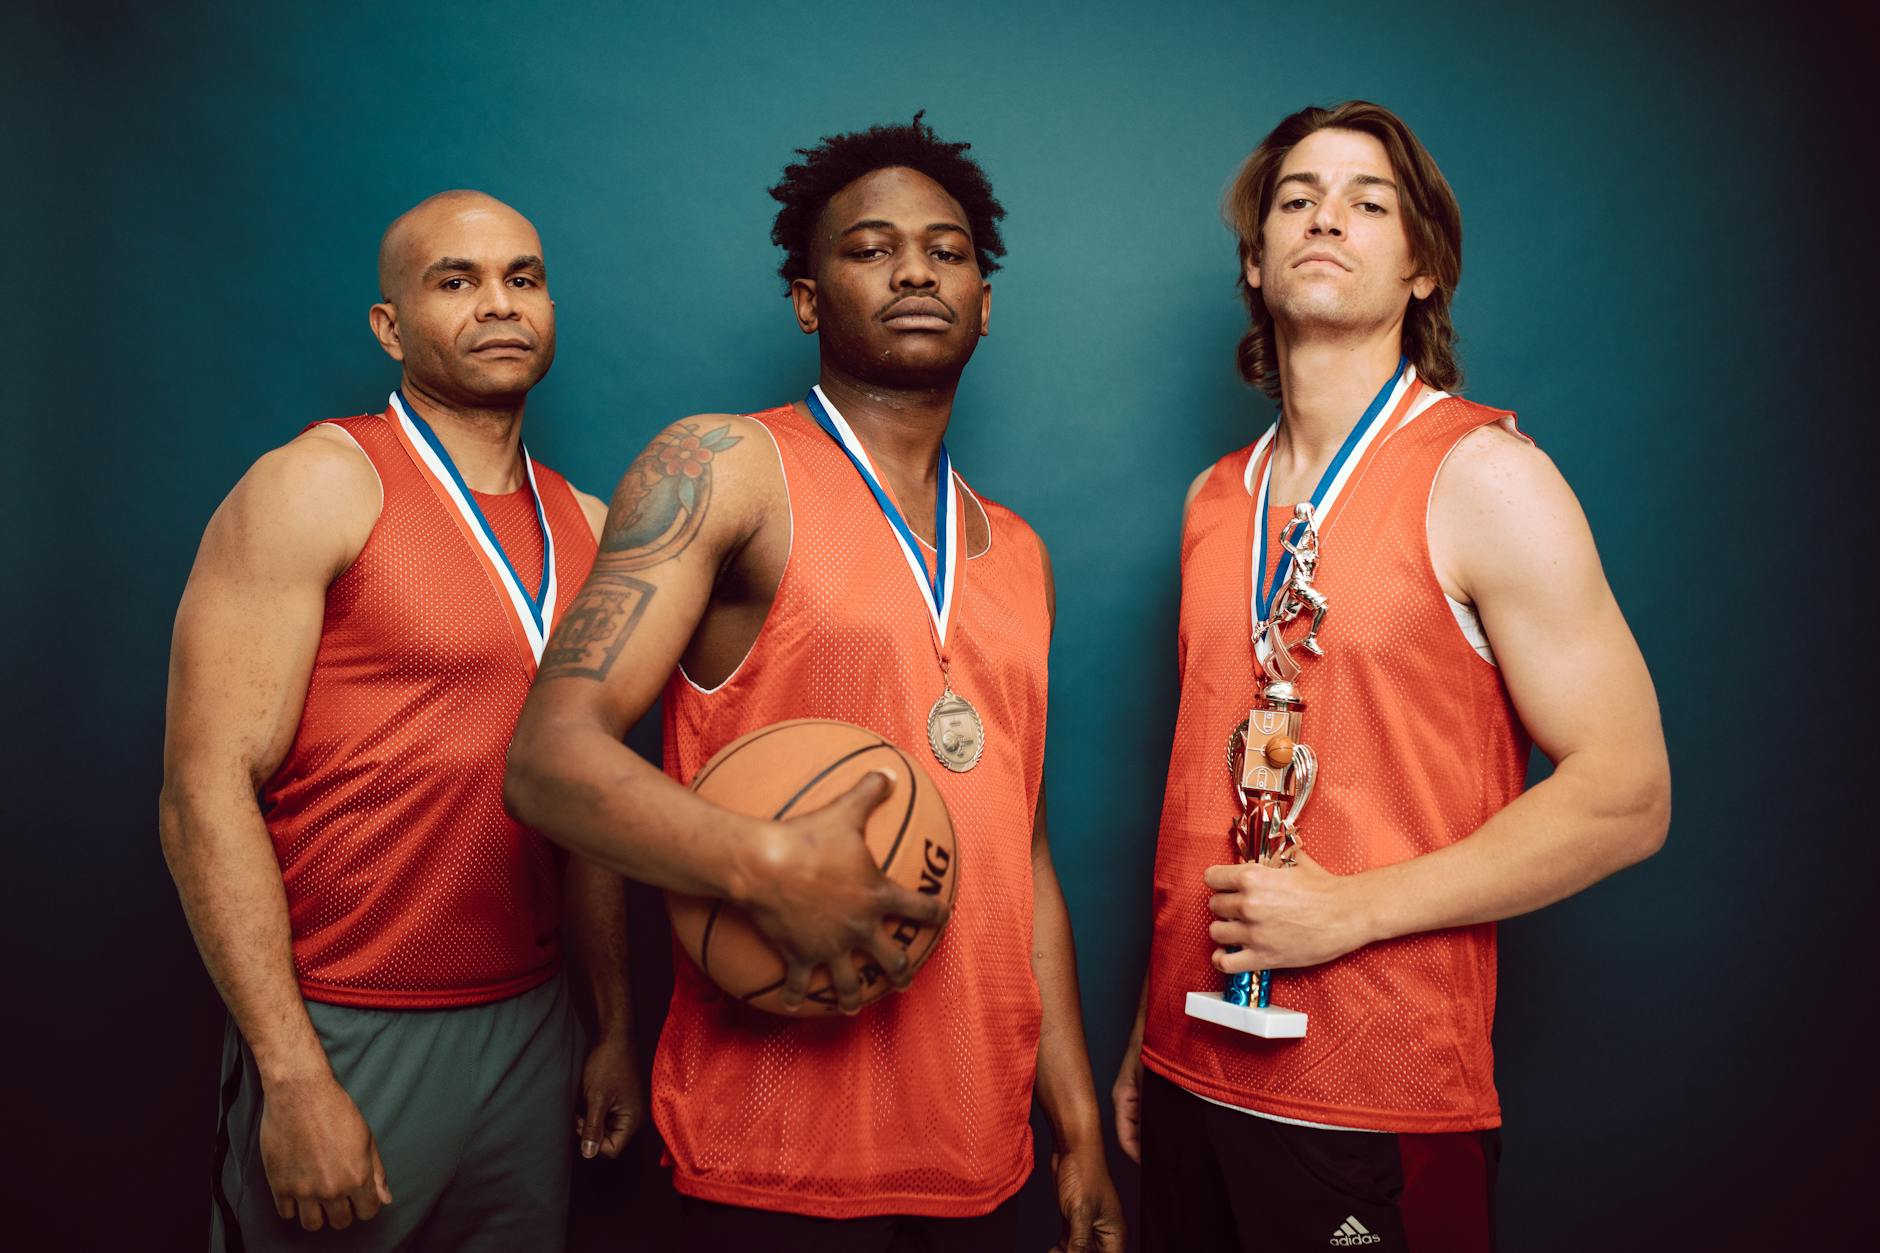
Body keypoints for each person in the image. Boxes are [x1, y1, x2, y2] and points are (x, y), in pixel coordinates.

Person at [505, 116, 1124, 1253]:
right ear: (805, 298)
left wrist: (1073, 1120)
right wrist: (766, 862)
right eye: (870, 247)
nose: (912, 272)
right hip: (773, 1143)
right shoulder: (724, 467)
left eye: (945, 252)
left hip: (982, 1141)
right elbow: (547, 761)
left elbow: (1015, 850)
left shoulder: (1019, 550)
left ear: (984, 302)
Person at [1112, 101, 1672, 1251]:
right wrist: (1141, 1035)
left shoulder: (1485, 476)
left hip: (1374, 1096)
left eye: (1369, 202)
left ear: (1419, 267)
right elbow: (1199, 799)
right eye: (1295, 198)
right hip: (1185, 1073)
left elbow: (1627, 791)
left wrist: (1352, 908)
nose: (1327, 216)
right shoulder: (1213, 501)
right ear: (1255, 259)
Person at [159, 190, 641, 1251]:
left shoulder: (594, 527)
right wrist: (291, 1075)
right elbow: (203, 790)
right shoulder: (316, 484)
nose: (498, 303)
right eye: (455, 280)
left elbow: (593, 805)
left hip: (529, 1027)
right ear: (389, 326)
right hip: (346, 1020)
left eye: (522, 277)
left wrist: (609, 1026)